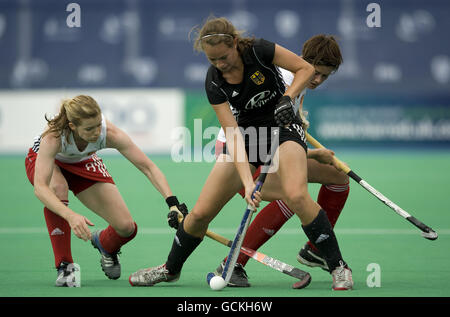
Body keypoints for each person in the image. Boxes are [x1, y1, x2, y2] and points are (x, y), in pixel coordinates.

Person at [129, 17, 353, 290]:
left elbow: (304, 68)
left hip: (283, 128)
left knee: (296, 193)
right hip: (247, 135)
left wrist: (287, 98)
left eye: (223, 57)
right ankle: (169, 269)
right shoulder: (214, 81)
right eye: (213, 60)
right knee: (199, 214)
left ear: (235, 43)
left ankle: (338, 266)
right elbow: (232, 133)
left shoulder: (259, 50)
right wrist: (248, 183)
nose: (220, 64)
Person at [205, 34, 349, 287]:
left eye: (324, 76)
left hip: (264, 148)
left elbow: (281, 143)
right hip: (237, 156)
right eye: (315, 72)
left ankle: (316, 249)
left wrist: (312, 154)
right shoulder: (286, 78)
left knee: (336, 176)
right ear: (304, 61)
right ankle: (234, 262)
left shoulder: (299, 84)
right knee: (295, 194)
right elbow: (261, 138)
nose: (317, 79)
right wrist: (308, 153)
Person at [25, 95, 187, 287]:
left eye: (97, 125)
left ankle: (105, 244)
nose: (96, 132)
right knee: (57, 187)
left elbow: (148, 167)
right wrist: (70, 215)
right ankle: (65, 266)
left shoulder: (108, 133)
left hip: (83, 161)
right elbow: (40, 188)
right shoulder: (53, 137)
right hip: (46, 162)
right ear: (72, 126)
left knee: (126, 227)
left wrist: (172, 203)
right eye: (89, 129)